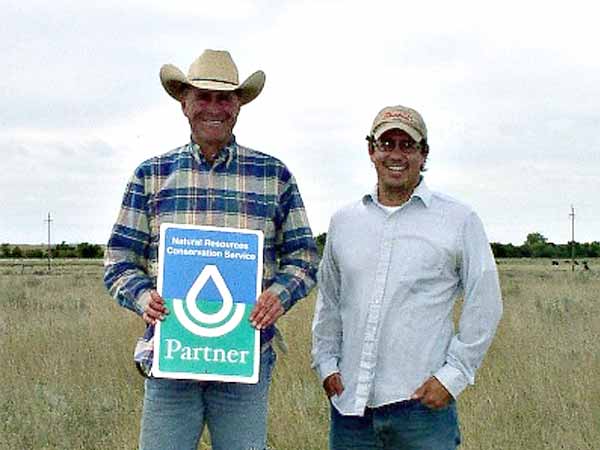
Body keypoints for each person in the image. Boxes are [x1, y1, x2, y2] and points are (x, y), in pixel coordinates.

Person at [104, 49, 318, 450]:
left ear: (239, 105)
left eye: (225, 98)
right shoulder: (151, 175)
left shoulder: (275, 176)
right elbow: (119, 261)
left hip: (245, 361)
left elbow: (305, 258)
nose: (214, 107)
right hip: (171, 358)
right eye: (203, 97)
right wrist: (142, 297)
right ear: (184, 103)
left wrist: (278, 295)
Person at [312, 105, 503, 449]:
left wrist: (453, 376)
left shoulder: (459, 220)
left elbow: (485, 301)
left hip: (421, 410)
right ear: (371, 150)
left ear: (423, 153)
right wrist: (325, 363)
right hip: (350, 410)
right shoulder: (344, 222)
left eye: (407, 145)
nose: (396, 154)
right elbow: (329, 298)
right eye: (387, 144)